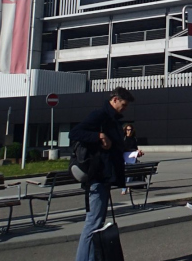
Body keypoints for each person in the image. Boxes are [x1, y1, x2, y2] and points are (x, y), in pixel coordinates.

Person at [70, 87, 135, 261]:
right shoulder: (100, 115)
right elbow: (75, 133)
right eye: (123, 104)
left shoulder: (112, 119)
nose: (125, 108)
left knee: (96, 223)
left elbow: (113, 148)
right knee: (93, 223)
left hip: (104, 176)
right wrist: (99, 135)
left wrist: (129, 152)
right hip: (97, 176)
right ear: (114, 100)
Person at [121, 124, 144, 194]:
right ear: (125, 130)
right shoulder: (123, 138)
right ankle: (124, 188)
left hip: (132, 158)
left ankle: (128, 186)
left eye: (130, 130)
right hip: (125, 158)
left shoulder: (134, 139)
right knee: (124, 173)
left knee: (130, 174)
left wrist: (138, 152)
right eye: (128, 130)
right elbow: (122, 148)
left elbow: (135, 148)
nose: (129, 131)